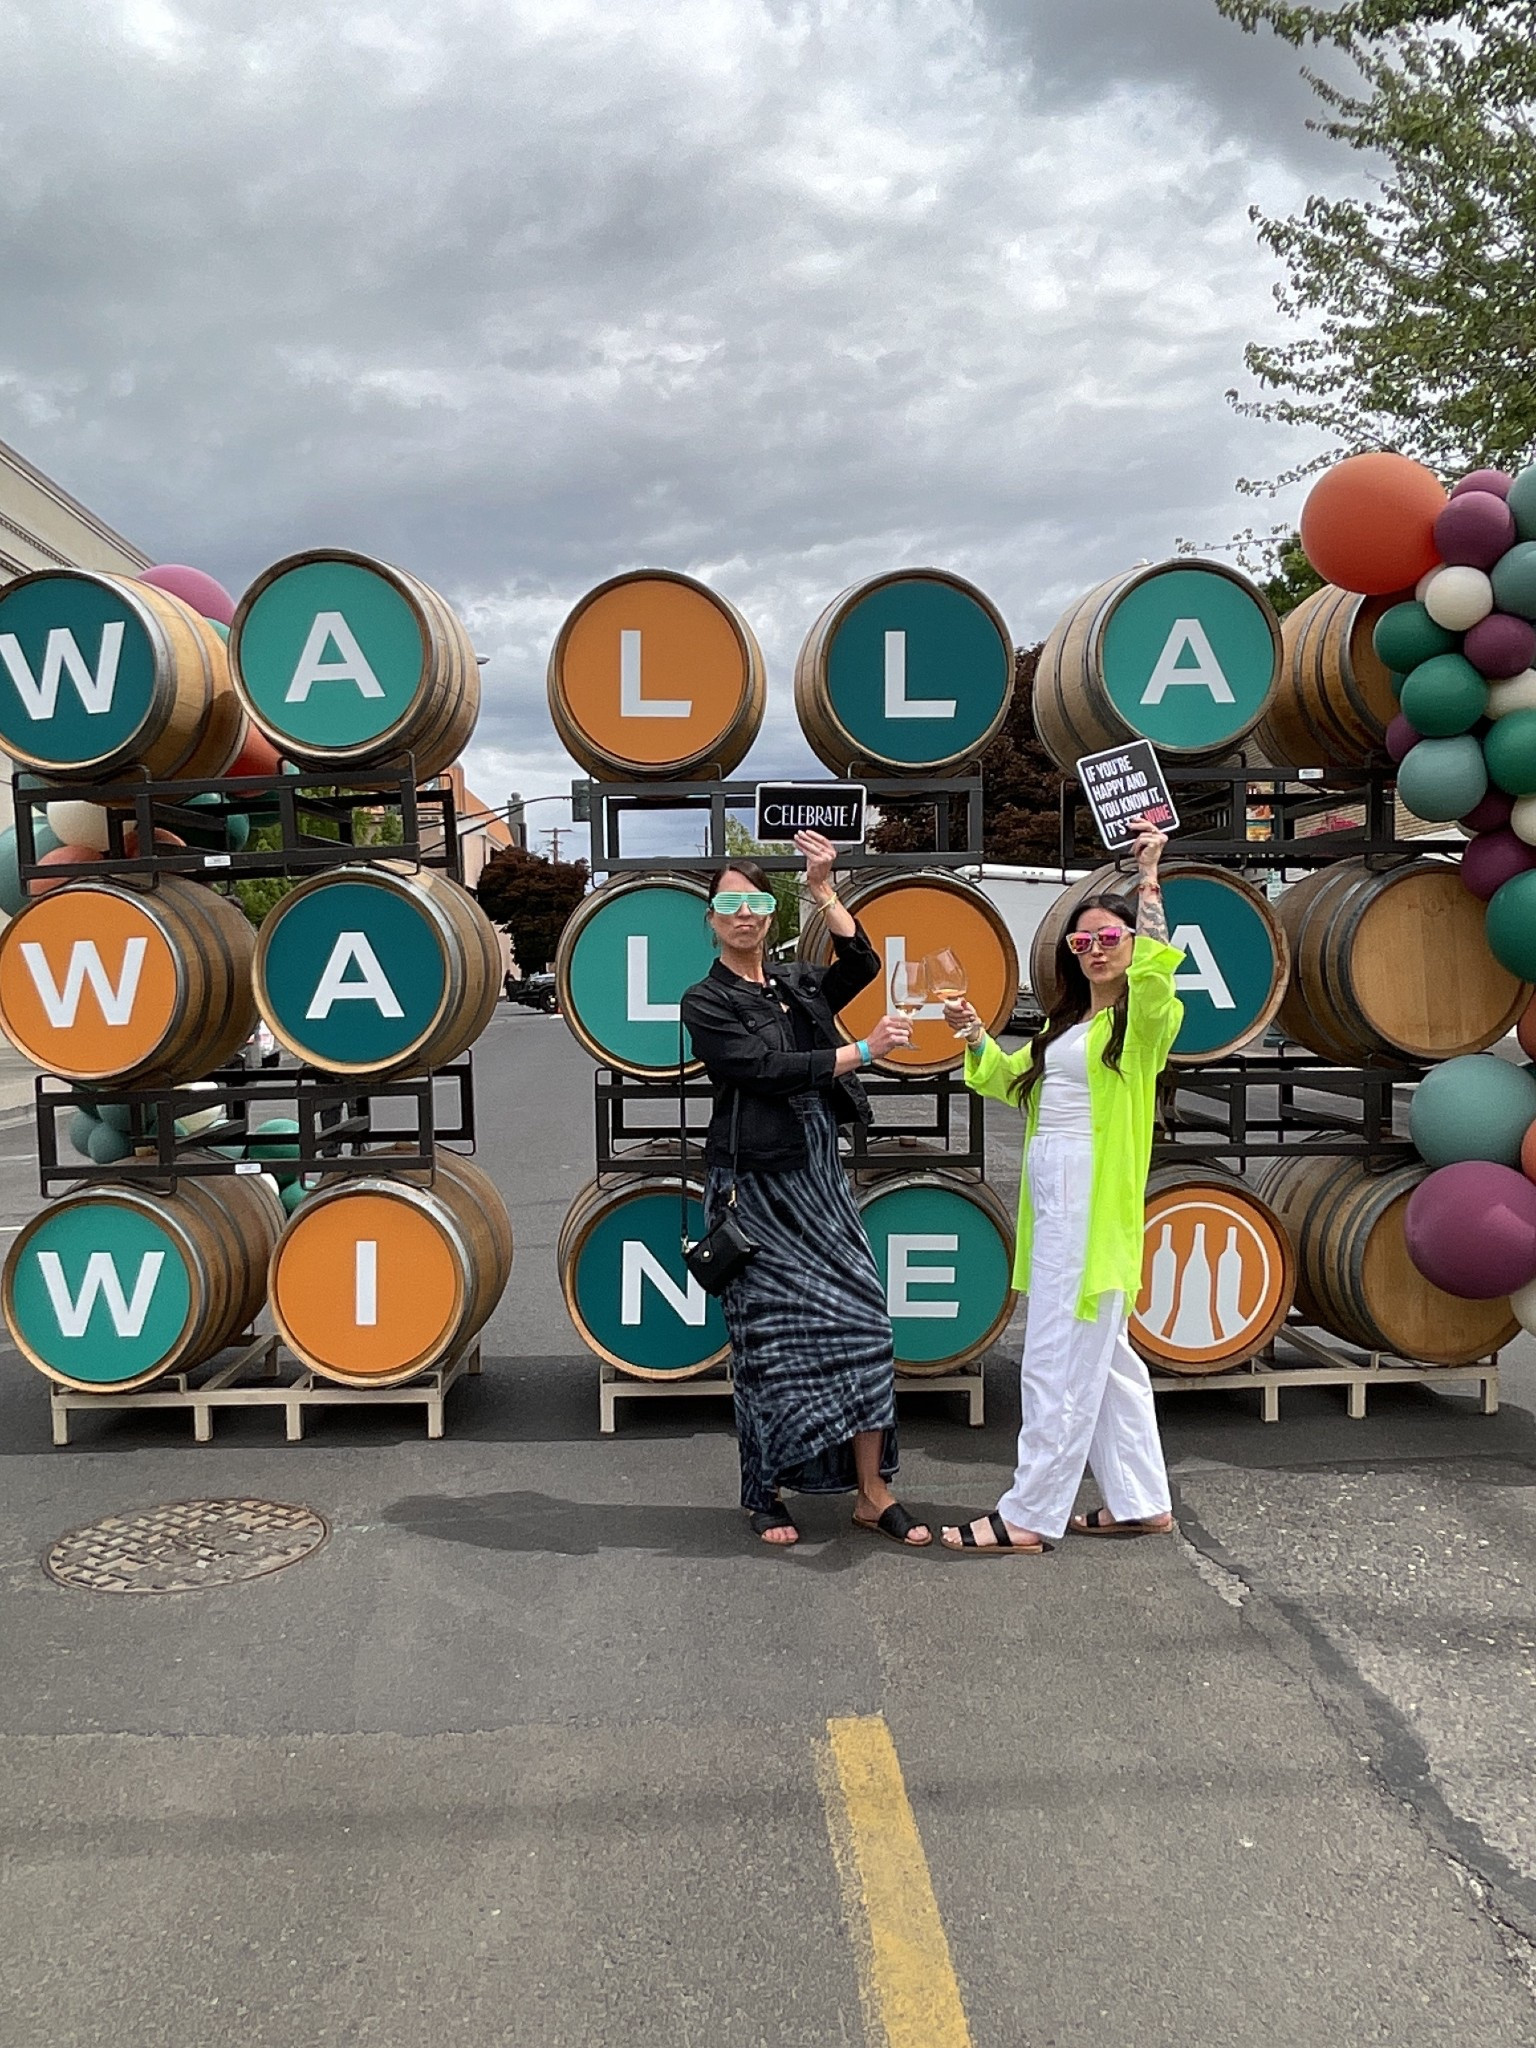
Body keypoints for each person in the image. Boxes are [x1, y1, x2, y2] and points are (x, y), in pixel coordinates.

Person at [679, 831, 932, 1549]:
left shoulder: (796, 984)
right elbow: (761, 1070)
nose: (745, 915)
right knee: (769, 1344)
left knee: (867, 1327)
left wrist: (823, 890)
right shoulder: (706, 1000)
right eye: (731, 904)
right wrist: (864, 1052)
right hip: (757, 1186)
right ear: (711, 918)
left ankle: (872, 1493)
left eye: (758, 903)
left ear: (772, 915)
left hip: (818, 1178)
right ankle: (765, 1493)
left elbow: (862, 961)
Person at [939, 817, 1184, 1554]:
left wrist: (1148, 882)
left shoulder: (1139, 1027)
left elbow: (1156, 981)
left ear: (1130, 943)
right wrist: (974, 1034)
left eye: (1109, 938)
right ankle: (1142, 1501)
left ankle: (1030, 1512)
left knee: (1057, 1356)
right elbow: (1007, 1082)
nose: (1097, 950)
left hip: (1089, 1199)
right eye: (1083, 942)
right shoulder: (1067, 1025)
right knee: (1105, 1360)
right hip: (1056, 1194)